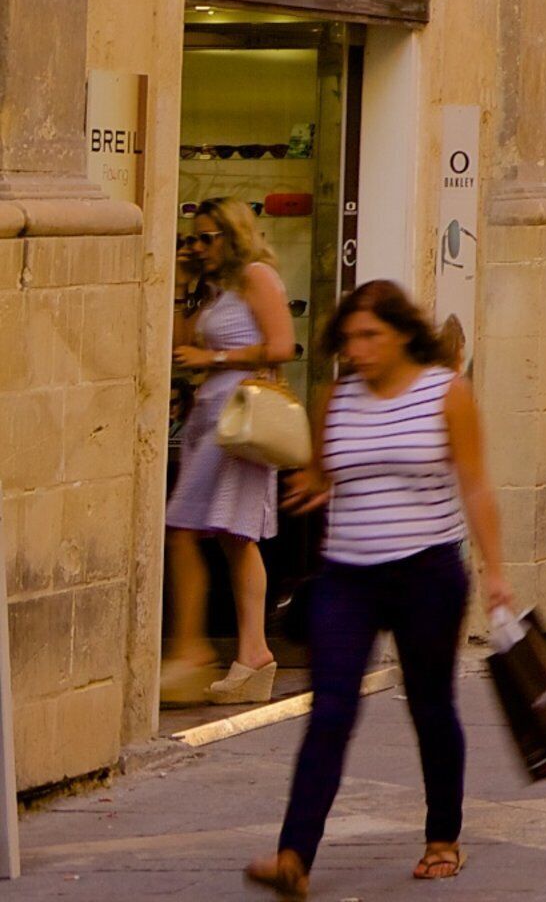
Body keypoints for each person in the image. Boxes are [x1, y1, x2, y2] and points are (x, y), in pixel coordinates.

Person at [247, 282, 509, 897]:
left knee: (430, 706)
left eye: (371, 336)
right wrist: (312, 483)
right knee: (330, 712)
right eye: (350, 338)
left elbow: (475, 486)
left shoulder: (447, 394)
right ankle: (294, 857)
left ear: (401, 335)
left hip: (428, 574)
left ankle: (443, 837)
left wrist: (497, 573)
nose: (358, 349)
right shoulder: (333, 398)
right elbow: (324, 473)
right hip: (348, 577)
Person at [165, 199, 294, 707]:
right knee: (232, 538)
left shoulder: (258, 277)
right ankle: (253, 654)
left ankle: (194, 648)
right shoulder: (216, 288)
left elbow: (282, 345)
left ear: (232, 234)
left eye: (206, 237)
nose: (196, 246)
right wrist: (181, 286)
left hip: (240, 417)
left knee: (190, 531)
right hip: (213, 417)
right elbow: (180, 348)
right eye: (191, 238)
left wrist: (214, 356)